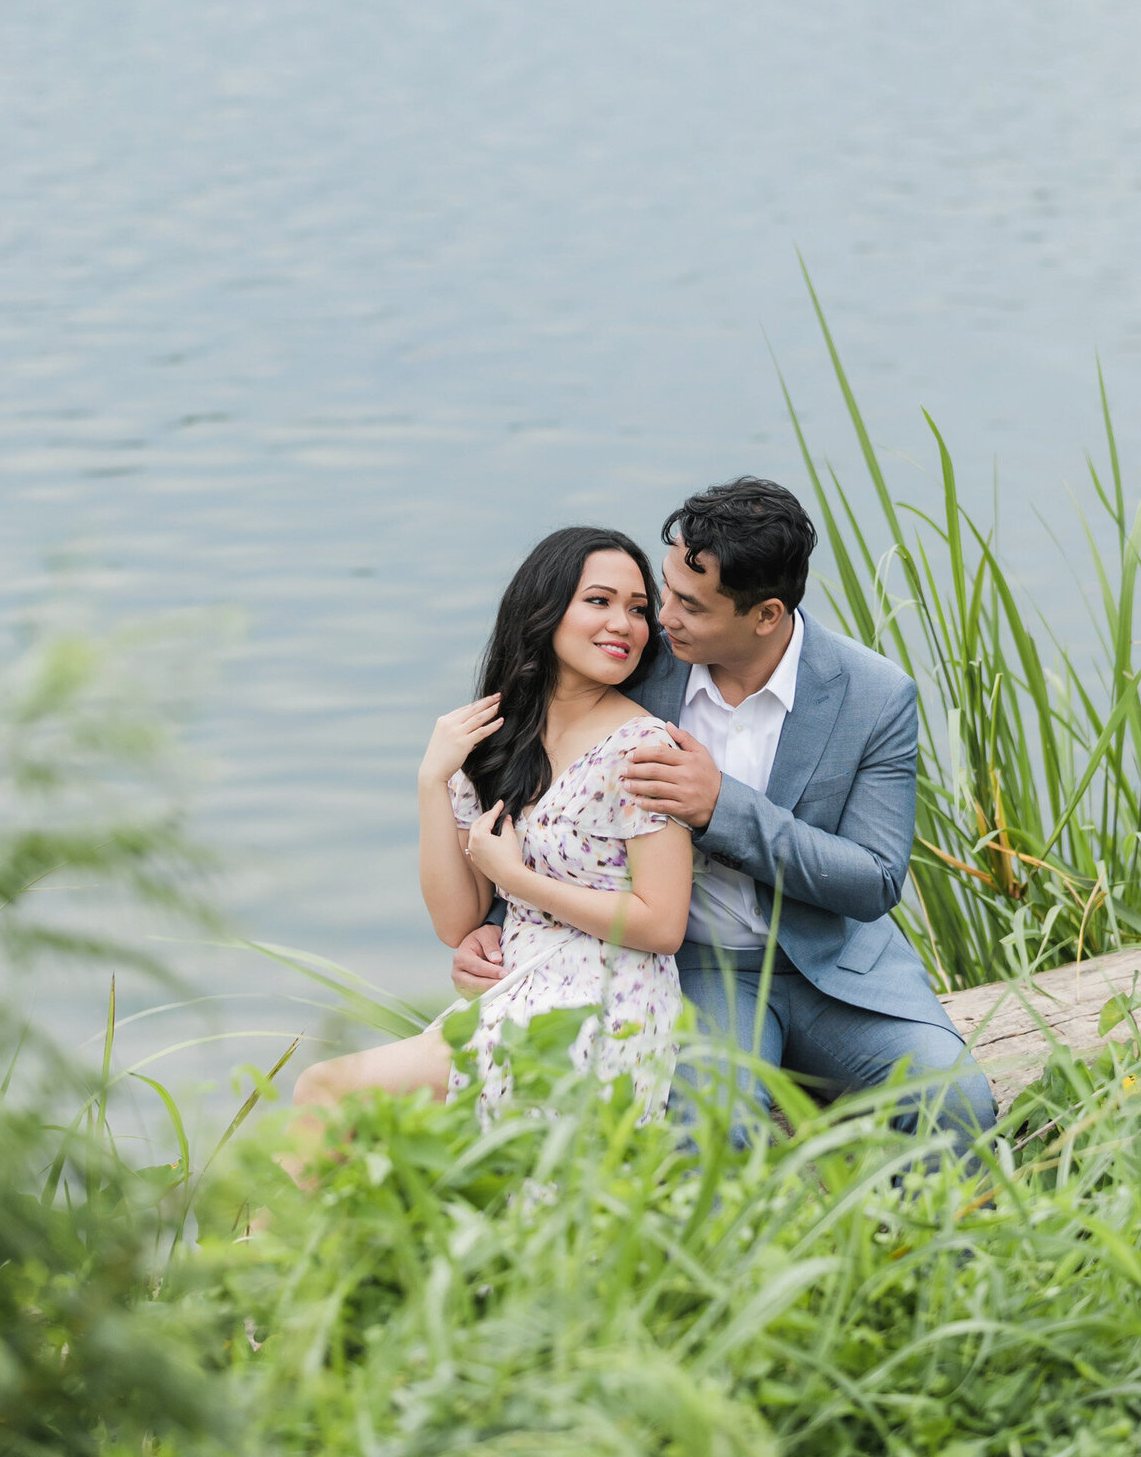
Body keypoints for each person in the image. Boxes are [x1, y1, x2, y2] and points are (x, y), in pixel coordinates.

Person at [453, 477, 997, 1157]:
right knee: (715, 1128)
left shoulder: (874, 695)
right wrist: (496, 926)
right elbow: (554, 803)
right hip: (698, 972)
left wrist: (722, 808)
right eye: (666, 590)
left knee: (960, 1104)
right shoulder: (637, 671)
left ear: (765, 615)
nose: (660, 616)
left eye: (688, 605)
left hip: (838, 973)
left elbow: (875, 879)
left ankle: (914, 1255)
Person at [291, 527, 693, 1135]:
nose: (626, 624)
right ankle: (273, 1235)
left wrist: (516, 879)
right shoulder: (499, 742)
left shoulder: (641, 747)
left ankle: (259, 1236)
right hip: (519, 985)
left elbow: (662, 924)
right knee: (345, 1113)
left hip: (609, 997)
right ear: (544, 610)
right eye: (600, 601)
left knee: (327, 1088)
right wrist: (433, 779)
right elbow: (458, 923)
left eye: (638, 609)